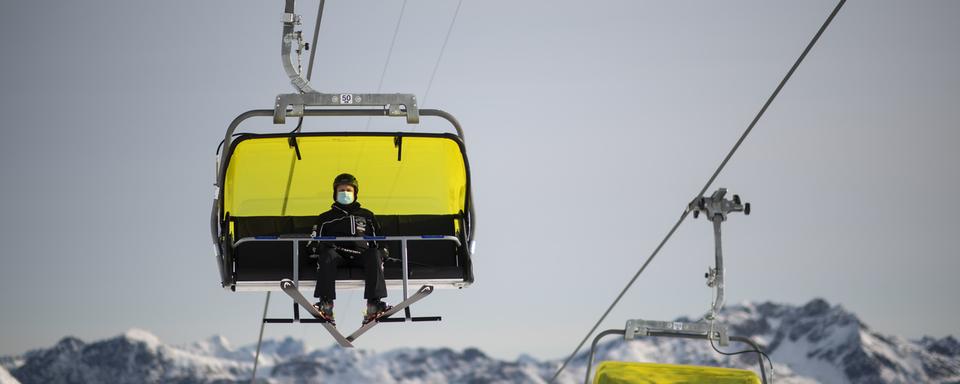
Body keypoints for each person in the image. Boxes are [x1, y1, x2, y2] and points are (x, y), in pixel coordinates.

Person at [309, 173, 391, 326]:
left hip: (362, 255)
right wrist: (320, 248)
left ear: (355, 193)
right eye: (341, 190)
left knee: (374, 254)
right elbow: (313, 242)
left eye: (348, 190)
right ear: (335, 193)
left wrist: (383, 251)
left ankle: (373, 304)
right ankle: (326, 304)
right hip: (337, 254)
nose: (345, 193)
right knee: (327, 255)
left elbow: (380, 239)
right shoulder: (325, 218)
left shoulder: (367, 216)